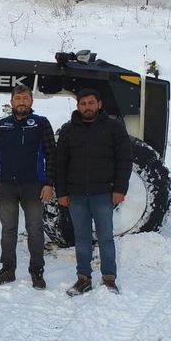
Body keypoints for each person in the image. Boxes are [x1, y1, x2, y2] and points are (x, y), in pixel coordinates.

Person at [56, 88, 132, 296]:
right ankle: (83, 279)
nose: (87, 107)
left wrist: (119, 189)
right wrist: (61, 192)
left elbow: (124, 160)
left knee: (105, 237)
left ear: (99, 104)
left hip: (103, 194)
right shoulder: (69, 130)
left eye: (91, 103)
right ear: (78, 106)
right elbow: (60, 164)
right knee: (81, 238)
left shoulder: (114, 128)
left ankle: (109, 279)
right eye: (83, 104)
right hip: (76, 195)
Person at [0, 84, 56, 290]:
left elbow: (52, 155)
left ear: (31, 101)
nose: (21, 102)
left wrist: (49, 183)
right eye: (18, 98)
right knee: (8, 229)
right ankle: (8, 269)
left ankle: (37, 271)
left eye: (25, 98)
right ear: (11, 101)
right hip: (6, 186)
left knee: (34, 229)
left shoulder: (41, 123)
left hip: (34, 186)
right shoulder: (2, 125)